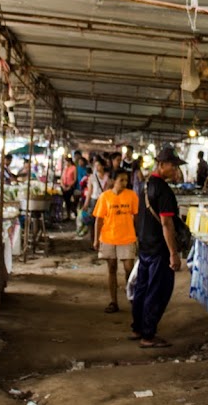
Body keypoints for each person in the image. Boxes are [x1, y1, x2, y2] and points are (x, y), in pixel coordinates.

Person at [131, 145, 186, 348]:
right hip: (159, 250)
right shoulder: (163, 190)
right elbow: (166, 223)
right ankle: (148, 335)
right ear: (161, 165)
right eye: (173, 166)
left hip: (146, 245)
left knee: (142, 289)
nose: (175, 170)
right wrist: (173, 253)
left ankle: (138, 327)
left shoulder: (147, 185)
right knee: (157, 290)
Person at [93, 169, 139, 313]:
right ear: (113, 181)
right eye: (121, 180)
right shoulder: (105, 197)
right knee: (111, 269)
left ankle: (132, 298)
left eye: (126, 180)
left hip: (127, 237)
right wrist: (96, 240)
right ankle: (114, 302)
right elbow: (99, 220)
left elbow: (137, 217)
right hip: (108, 237)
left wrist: (138, 235)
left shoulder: (132, 196)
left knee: (129, 269)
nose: (125, 183)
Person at [78, 160, 109, 237]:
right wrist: (86, 204)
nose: (97, 167)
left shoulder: (107, 176)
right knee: (93, 221)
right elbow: (89, 191)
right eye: (95, 166)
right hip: (94, 200)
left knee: (103, 220)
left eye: (98, 165)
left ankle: (101, 237)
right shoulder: (92, 177)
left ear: (103, 166)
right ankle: (93, 238)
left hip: (104, 200)